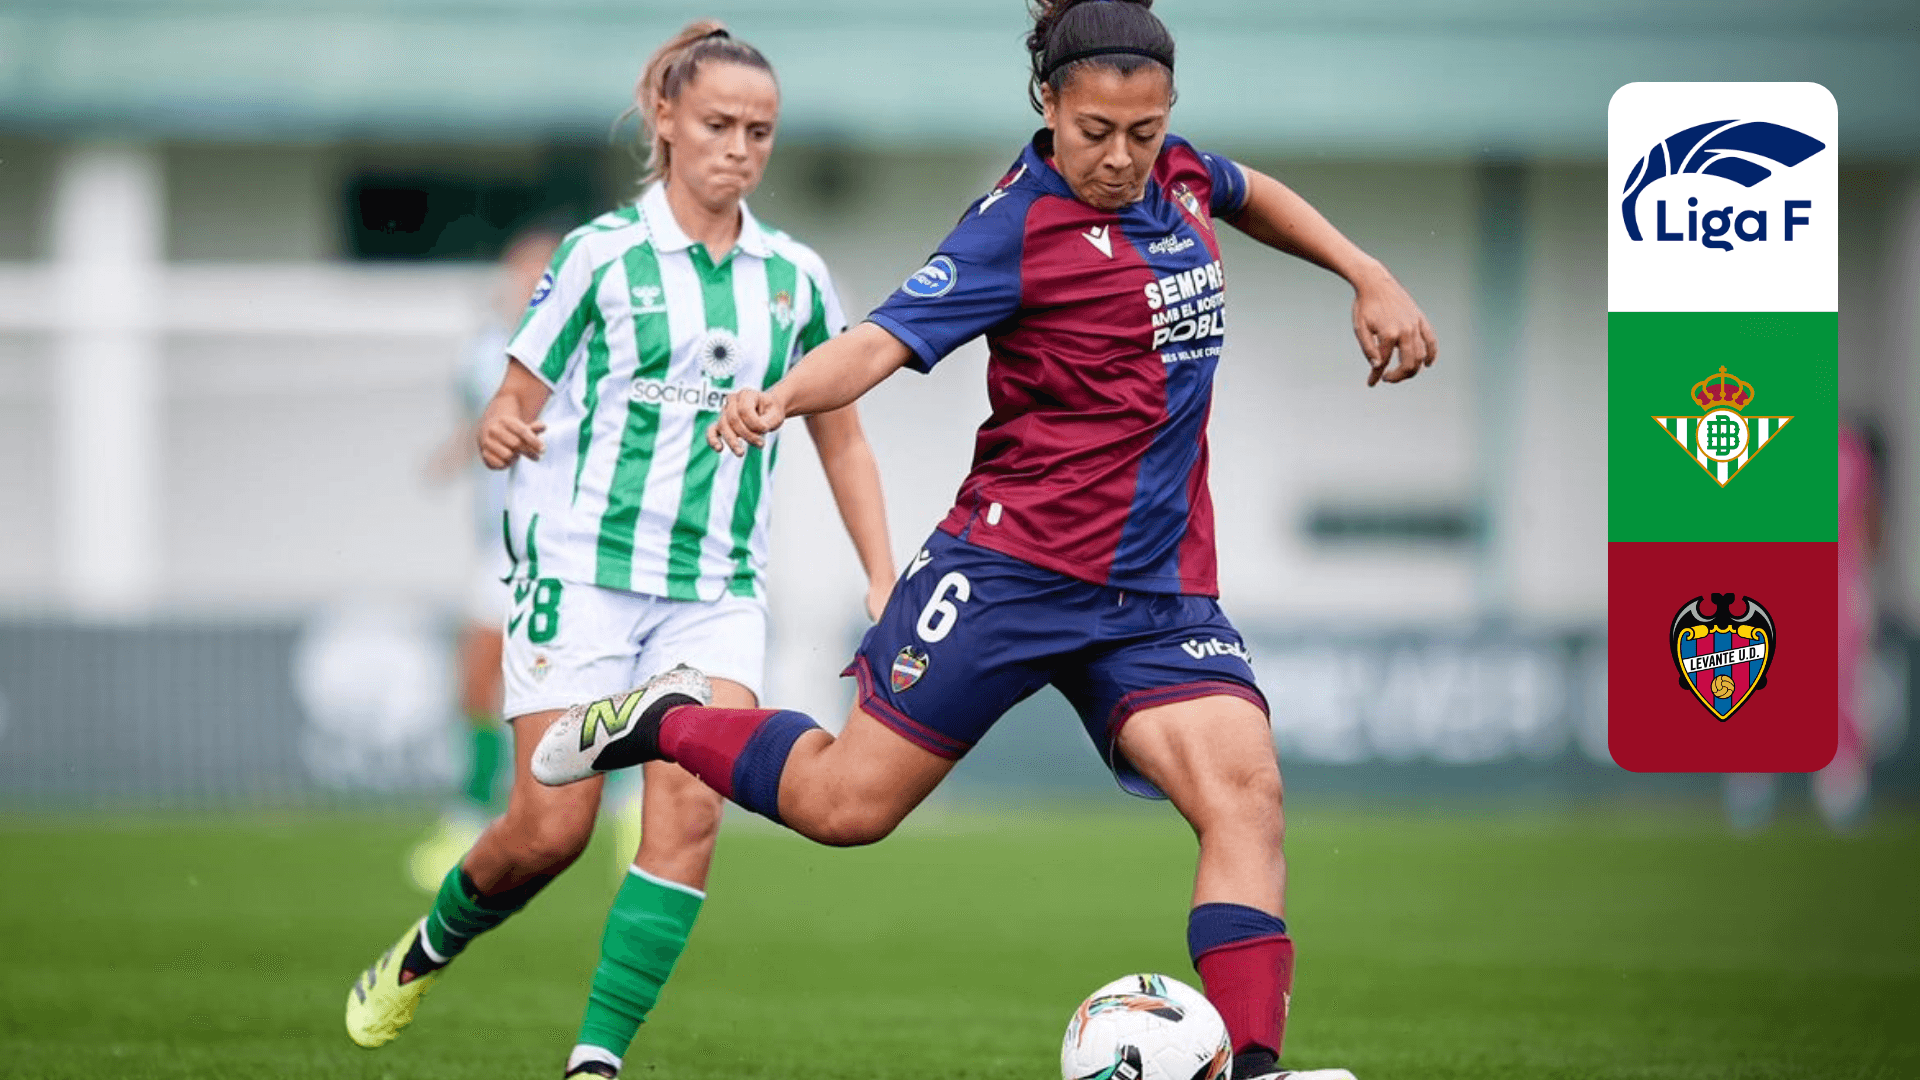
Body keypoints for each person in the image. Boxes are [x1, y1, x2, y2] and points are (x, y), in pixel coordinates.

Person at [533, 3, 1435, 1078]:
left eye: (1144, 132)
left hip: (1158, 595)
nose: (1122, 157)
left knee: (1247, 798)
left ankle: (1254, 1069)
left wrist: (1364, 270)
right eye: (1095, 132)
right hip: (1008, 574)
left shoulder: (1180, 174)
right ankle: (666, 718)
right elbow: (879, 339)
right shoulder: (1013, 226)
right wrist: (780, 397)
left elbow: (1250, 193)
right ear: (1048, 105)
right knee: (844, 807)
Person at [345, 22, 896, 1080]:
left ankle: (595, 1060)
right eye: (720, 124)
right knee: (548, 834)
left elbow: (843, 435)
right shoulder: (598, 255)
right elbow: (514, 399)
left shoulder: (794, 276)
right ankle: (424, 952)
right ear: (667, 121)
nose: (740, 148)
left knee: (690, 813)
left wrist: (881, 574)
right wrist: (501, 428)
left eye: (760, 131)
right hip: (579, 575)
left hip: (716, 590)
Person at [409, 226, 563, 894]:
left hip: (566, 544)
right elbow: (483, 420)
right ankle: (470, 813)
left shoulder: (582, 345)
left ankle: (624, 807)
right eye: (521, 271)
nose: (528, 283)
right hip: (499, 545)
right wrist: (452, 454)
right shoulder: (481, 353)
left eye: (541, 272)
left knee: (587, 685)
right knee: (477, 677)